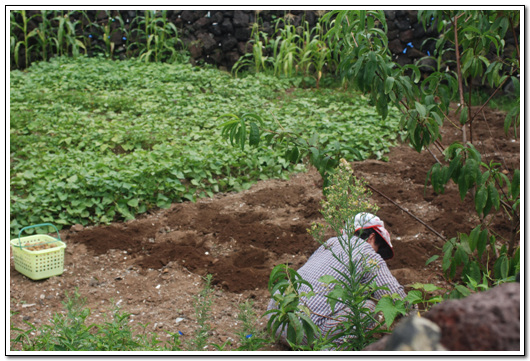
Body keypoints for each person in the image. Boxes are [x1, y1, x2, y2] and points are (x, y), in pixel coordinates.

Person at [266, 212, 407, 348]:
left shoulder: (331, 243)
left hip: (279, 322)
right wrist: (414, 314)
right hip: (306, 333)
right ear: (371, 238)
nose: (376, 253)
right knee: (366, 308)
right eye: (378, 247)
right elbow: (395, 296)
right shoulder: (365, 251)